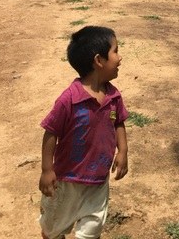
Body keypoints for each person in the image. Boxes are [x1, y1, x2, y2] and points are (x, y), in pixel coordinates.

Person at [38, 26, 129, 239]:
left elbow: (119, 124)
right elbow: (51, 132)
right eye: (115, 51)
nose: (120, 57)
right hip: (66, 180)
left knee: (92, 228)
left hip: (98, 179)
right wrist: (46, 170)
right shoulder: (69, 99)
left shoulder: (113, 96)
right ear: (99, 60)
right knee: (54, 229)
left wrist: (123, 151)